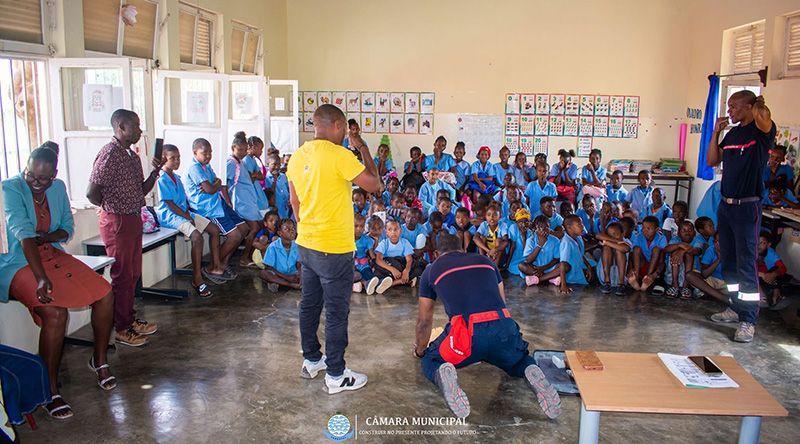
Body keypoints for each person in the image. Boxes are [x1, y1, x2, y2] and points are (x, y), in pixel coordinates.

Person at [2, 147, 116, 418]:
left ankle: (98, 361)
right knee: (55, 312)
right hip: (18, 261)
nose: (35, 183)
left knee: (105, 293)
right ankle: (49, 388)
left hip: (50, 253)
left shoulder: (57, 188)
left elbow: (66, 228)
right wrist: (40, 277)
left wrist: (48, 238)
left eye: (43, 179)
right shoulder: (11, 188)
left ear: (54, 176)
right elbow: (22, 233)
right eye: (31, 175)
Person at [414, 233, 561, 420]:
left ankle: (443, 373)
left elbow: (424, 321)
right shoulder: (486, 261)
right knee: (518, 360)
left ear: (436, 253)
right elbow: (503, 302)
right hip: (502, 327)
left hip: (466, 336)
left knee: (430, 360)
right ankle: (530, 370)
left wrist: (420, 351)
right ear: (463, 249)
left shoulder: (431, 269)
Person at [288, 104, 380, 393]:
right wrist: (362, 147)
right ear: (339, 126)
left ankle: (313, 360)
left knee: (310, 304)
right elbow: (374, 184)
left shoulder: (297, 155)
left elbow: (294, 204)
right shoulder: (340, 154)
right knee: (337, 312)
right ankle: (336, 376)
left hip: (306, 244)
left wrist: (308, 227)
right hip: (334, 249)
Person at [706, 91, 776, 343]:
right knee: (730, 261)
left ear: (750, 107)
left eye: (734, 106)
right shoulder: (733, 135)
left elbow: (765, 118)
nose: (730, 111)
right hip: (727, 207)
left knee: (746, 263)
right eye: (728, 106)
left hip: (748, 207)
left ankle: (748, 320)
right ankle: (735, 307)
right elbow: (712, 159)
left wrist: (759, 105)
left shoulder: (761, 133)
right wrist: (716, 133)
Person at [86, 109, 160, 346]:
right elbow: (92, 193)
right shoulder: (109, 155)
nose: (140, 130)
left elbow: (141, 191)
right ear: (120, 127)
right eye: (135, 126)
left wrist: (156, 171)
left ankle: (129, 319)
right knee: (121, 275)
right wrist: (111, 207)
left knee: (132, 274)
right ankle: (122, 328)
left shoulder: (131, 156)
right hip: (117, 220)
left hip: (133, 217)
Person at [157, 144, 226, 297]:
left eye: (178, 157)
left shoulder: (176, 177)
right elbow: (170, 204)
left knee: (214, 230)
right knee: (197, 236)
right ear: (163, 160)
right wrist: (189, 218)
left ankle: (216, 266)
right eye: (172, 158)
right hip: (171, 216)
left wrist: (191, 214)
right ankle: (197, 279)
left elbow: (184, 200)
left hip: (185, 213)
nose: (177, 161)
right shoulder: (162, 179)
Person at [184, 138, 248, 279]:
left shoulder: (206, 166)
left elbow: (217, 182)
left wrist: (216, 184)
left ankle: (223, 263)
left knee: (244, 229)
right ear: (195, 152)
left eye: (210, 153)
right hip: (208, 208)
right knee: (235, 235)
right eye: (204, 153)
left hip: (218, 203)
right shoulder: (195, 168)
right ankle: (213, 266)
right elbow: (210, 188)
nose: (208, 156)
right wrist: (215, 185)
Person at [223, 133, 262, 268]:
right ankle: (243, 258)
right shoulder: (231, 163)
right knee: (254, 227)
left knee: (247, 230)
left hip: (247, 200)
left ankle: (228, 261)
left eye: (245, 150)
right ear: (233, 148)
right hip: (240, 202)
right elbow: (224, 184)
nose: (243, 153)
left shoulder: (240, 162)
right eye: (240, 150)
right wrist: (228, 202)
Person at [374, 220, 426, 289]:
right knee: (378, 269)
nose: (393, 232)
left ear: (400, 231)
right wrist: (392, 269)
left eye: (396, 229)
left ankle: (394, 282)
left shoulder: (404, 242)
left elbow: (409, 260)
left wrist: (406, 271)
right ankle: (402, 281)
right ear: (386, 232)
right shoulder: (384, 243)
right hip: (390, 267)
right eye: (390, 230)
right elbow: (378, 260)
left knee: (418, 269)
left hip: (401, 267)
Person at [259, 219, 301, 292]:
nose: (291, 231)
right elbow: (269, 267)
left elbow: (299, 264)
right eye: (286, 229)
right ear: (279, 233)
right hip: (278, 274)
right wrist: (286, 277)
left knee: (308, 271)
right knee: (264, 273)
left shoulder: (297, 245)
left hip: (293, 274)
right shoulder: (273, 247)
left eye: (293, 228)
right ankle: (290, 285)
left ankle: (282, 284)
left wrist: (300, 274)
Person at [518, 215, 561, 286]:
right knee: (521, 265)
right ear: (535, 229)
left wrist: (543, 268)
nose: (544, 230)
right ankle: (550, 278)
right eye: (540, 228)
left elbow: (556, 259)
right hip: (534, 269)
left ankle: (537, 279)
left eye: (547, 227)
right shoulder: (531, 240)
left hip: (549, 268)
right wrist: (540, 245)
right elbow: (528, 260)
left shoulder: (555, 240)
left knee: (563, 266)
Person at [627, 215, 667, 292]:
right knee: (636, 249)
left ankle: (648, 278)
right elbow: (632, 256)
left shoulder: (662, 238)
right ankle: (636, 277)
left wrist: (655, 274)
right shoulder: (638, 237)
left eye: (648, 228)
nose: (645, 230)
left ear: (656, 229)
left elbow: (662, 261)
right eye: (643, 228)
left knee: (656, 249)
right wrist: (630, 269)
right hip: (640, 266)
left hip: (655, 268)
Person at [595, 222, 631, 295]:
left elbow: (625, 249)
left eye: (615, 234)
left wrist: (607, 242)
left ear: (622, 234)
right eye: (610, 235)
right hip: (603, 278)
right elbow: (597, 235)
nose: (612, 237)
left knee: (619, 250)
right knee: (606, 248)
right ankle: (607, 282)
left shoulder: (626, 242)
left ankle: (621, 284)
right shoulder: (608, 241)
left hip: (620, 278)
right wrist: (617, 241)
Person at [558, 215, 592, 293]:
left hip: (579, 271)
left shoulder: (578, 237)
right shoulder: (566, 242)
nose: (582, 227)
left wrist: (588, 266)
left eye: (582, 224)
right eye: (579, 225)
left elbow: (581, 254)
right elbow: (563, 264)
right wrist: (563, 285)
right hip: (572, 278)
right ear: (569, 227)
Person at [266, 155, 291, 219]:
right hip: (276, 210)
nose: (277, 167)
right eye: (274, 164)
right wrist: (274, 180)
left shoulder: (283, 176)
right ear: (268, 164)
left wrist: (289, 199)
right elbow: (270, 194)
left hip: (285, 209)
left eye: (279, 164)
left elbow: (288, 189)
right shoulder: (266, 178)